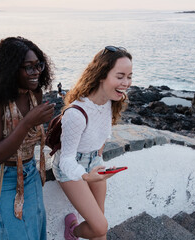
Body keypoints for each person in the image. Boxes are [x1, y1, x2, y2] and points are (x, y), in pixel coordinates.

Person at [0, 36, 55, 240]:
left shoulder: (34, 93)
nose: (37, 71)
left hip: (30, 173)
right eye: (28, 67)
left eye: (38, 65)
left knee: (36, 231)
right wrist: (28, 122)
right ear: (11, 69)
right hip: (2, 178)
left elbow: (31, 138)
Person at [52, 46, 132, 240]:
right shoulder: (76, 114)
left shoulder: (109, 102)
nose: (126, 83)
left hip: (93, 163)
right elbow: (66, 160)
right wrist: (87, 177)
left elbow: (101, 137)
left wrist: (97, 161)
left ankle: (75, 230)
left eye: (129, 76)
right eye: (120, 76)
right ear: (101, 75)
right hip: (71, 168)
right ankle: (74, 231)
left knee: (100, 226)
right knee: (100, 226)